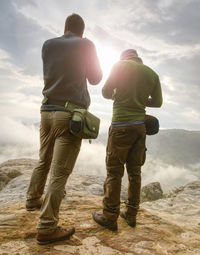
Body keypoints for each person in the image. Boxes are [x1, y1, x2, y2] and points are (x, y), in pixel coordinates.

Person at [26, 13, 102, 244]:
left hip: (46, 111)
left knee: (44, 160)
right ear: (82, 31)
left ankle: (32, 198)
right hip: (69, 116)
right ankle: (47, 227)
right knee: (59, 173)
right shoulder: (86, 44)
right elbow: (96, 78)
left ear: (65, 28)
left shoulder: (48, 44)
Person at [93, 49, 162, 231]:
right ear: (138, 58)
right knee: (135, 172)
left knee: (114, 172)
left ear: (123, 58)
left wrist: (119, 95)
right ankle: (131, 214)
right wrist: (139, 99)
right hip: (140, 128)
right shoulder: (152, 73)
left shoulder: (120, 66)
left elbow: (106, 92)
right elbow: (158, 102)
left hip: (120, 126)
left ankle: (109, 216)